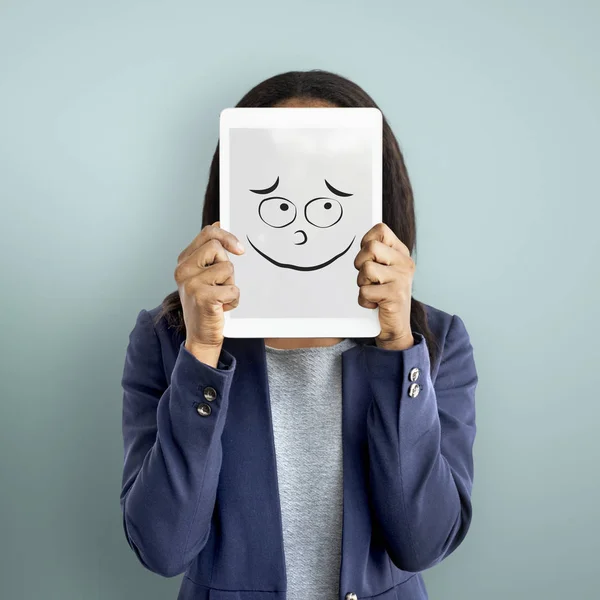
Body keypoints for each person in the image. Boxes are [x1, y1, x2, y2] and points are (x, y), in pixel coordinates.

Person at [120, 69, 478, 600]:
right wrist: (200, 354)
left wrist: (401, 347)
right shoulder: (167, 338)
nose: (303, 221)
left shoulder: (435, 342)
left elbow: (423, 543)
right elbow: (163, 548)